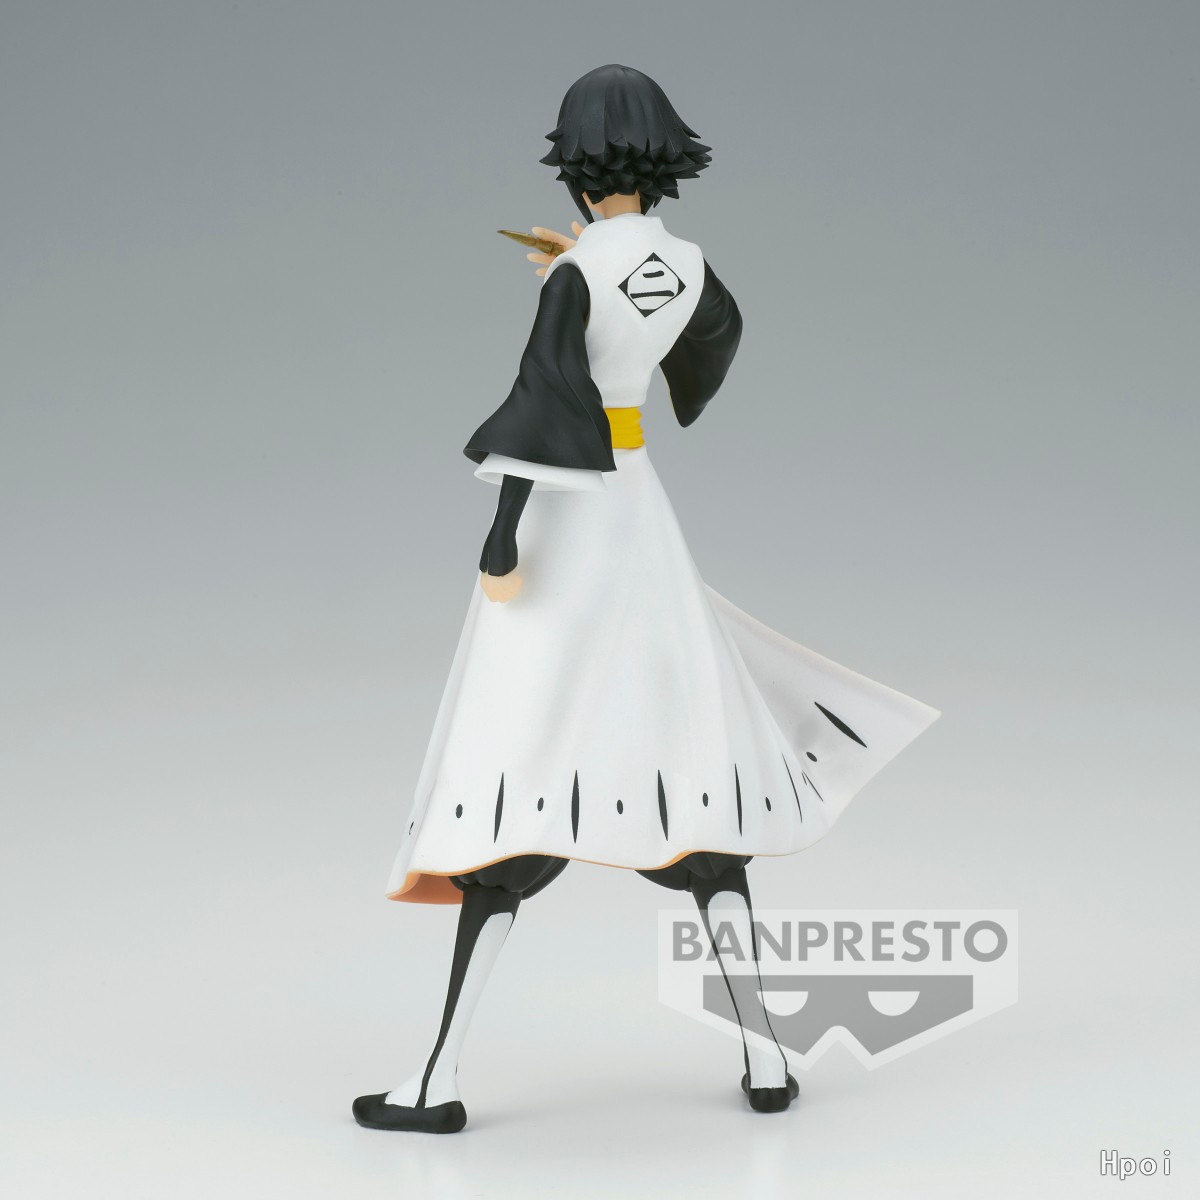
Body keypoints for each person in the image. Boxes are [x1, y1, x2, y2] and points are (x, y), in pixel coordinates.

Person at [353, 64, 939, 1133]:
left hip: (569, 526)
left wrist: (500, 534)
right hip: (640, 512)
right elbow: (712, 333)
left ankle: (434, 1084)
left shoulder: (573, 276)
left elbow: (545, 402)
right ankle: (767, 1059)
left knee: (518, 768)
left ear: (576, 172)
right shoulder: (685, 259)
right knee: (691, 779)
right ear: (664, 165)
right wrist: (617, 308)